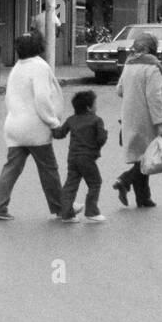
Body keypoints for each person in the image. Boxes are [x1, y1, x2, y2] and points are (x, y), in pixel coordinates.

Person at [0, 33, 78, 221]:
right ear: (40, 47)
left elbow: (9, 97)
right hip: (35, 126)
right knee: (49, 169)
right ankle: (62, 208)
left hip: (14, 125)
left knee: (12, 168)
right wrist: (53, 122)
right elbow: (42, 98)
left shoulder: (17, 68)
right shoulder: (39, 67)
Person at [113, 33, 162, 208]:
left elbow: (120, 90)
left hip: (129, 116)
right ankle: (125, 180)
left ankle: (143, 198)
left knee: (141, 157)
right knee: (147, 157)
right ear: (153, 48)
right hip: (146, 117)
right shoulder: (153, 67)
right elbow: (154, 97)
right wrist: (159, 123)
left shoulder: (129, 64)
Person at [52, 89, 109, 224]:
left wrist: (52, 126)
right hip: (87, 158)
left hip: (73, 158)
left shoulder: (71, 120)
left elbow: (59, 134)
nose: (96, 106)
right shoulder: (96, 120)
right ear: (89, 107)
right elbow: (101, 139)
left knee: (71, 185)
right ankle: (92, 211)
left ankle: (66, 214)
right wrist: (103, 135)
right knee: (95, 183)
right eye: (95, 104)